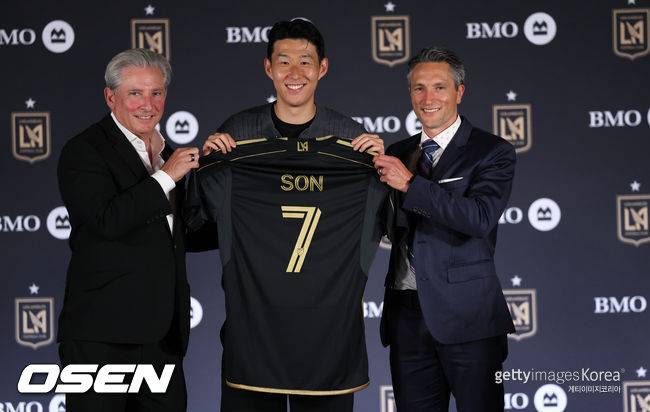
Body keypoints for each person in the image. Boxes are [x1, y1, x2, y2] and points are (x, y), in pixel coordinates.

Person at [200, 19, 384, 412]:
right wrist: (209, 164)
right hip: (254, 329)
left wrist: (380, 168)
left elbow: (386, 225)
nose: (295, 72)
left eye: (305, 61)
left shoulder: (352, 139)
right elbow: (200, 224)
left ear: (323, 68)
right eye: (284, 62)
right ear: (268, 68)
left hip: (328, 334)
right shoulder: (237, 133)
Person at [373, 47, 516, 411]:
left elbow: (479, 218)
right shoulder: (398, 152)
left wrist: (411, 185)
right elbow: (383, 227)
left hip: (468, 318)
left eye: (439, 87)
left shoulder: (492, 151)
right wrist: (361, 167)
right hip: (406, 317)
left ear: (459, 92)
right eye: (419, 88)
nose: (428, 98)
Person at [57, 48, 200, 411]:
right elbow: (107, 220)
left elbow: (179, 235)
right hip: (102, 336)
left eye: (156, 93)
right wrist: (166, 177)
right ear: (111, 97)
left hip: (162, 337)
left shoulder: (167, 153)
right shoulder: (84, 151)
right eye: (135, 93)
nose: (147, 104)